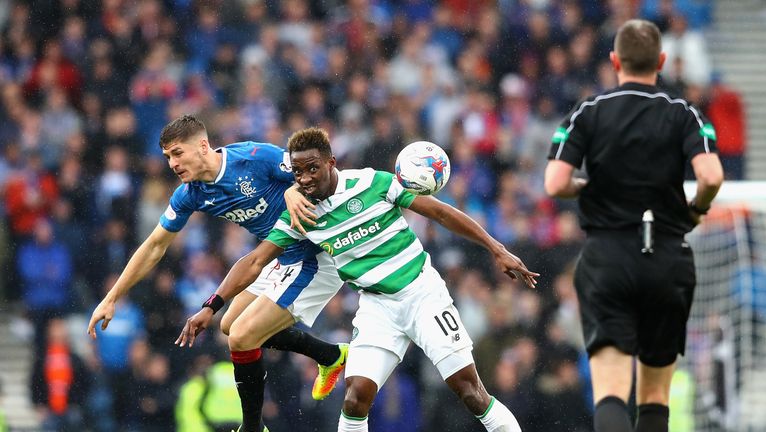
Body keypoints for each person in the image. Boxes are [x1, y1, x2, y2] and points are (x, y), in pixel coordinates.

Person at [177, 127, 539, 432]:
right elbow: (255, 261)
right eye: (298, 173)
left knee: (469, 391)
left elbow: (440, 212)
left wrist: (496, 248)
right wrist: (213, 305)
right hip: (377, 307)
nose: (304, 180)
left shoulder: (373, 183)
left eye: (312, 170)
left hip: (422, 295)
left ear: (331, 163)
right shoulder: (302, 214)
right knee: (354, 399)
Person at [87, 115, 349, 432]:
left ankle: (253, 428)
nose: (172, 163)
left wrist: (296, 189)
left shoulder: (254, 156)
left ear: (202, 145)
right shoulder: (191, 194)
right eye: (167, 157)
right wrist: (112, 296)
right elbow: (155, 245)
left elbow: (319, 174)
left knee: (242, 336)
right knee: (229, 325)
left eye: (177, 153)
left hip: (315, 255)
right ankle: (330, 355)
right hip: (277, 258)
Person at [544, 19, 724, 432]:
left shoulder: (588, 110)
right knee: (655, 398)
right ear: (661, 61)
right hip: (666, 257)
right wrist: (695, 209)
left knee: (610, 391)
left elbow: (554, 183)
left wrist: (588, 186)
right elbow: (711, 176)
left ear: (614, 60)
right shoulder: (684, 112)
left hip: (608, 257)